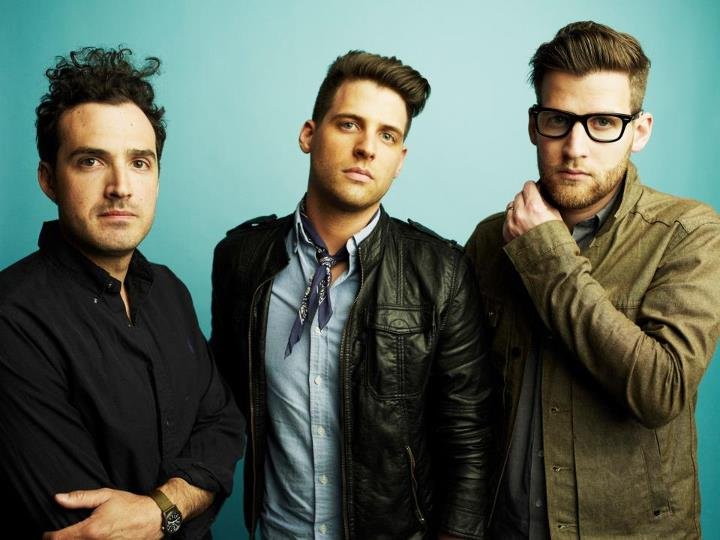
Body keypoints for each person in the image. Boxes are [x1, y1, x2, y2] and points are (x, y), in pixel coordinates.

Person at [211, 50, 493, 539]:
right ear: (309, 134)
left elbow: (469, 434)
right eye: (349, 125)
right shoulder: (241, 261)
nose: (367, 148)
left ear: (399, 160)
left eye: (388, 135)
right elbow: (220, 407)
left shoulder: (442, 272)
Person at [465, 21, 720, 538]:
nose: (575, 147)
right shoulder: (491, 240)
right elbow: (461, 399)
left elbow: (661, 390)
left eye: (603, 122)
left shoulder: (689, 233)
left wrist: (547, 255)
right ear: (535, 124)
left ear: (640, 130)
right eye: (559, 120)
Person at [0, 47, 245, 539]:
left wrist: (160, 510)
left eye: (139, 162)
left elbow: (223, 428)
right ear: (49, 179)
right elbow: (89, 529)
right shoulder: (12, 319)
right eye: (91, 161)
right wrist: (187, 500)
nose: (120, 187)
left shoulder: (170, 291)